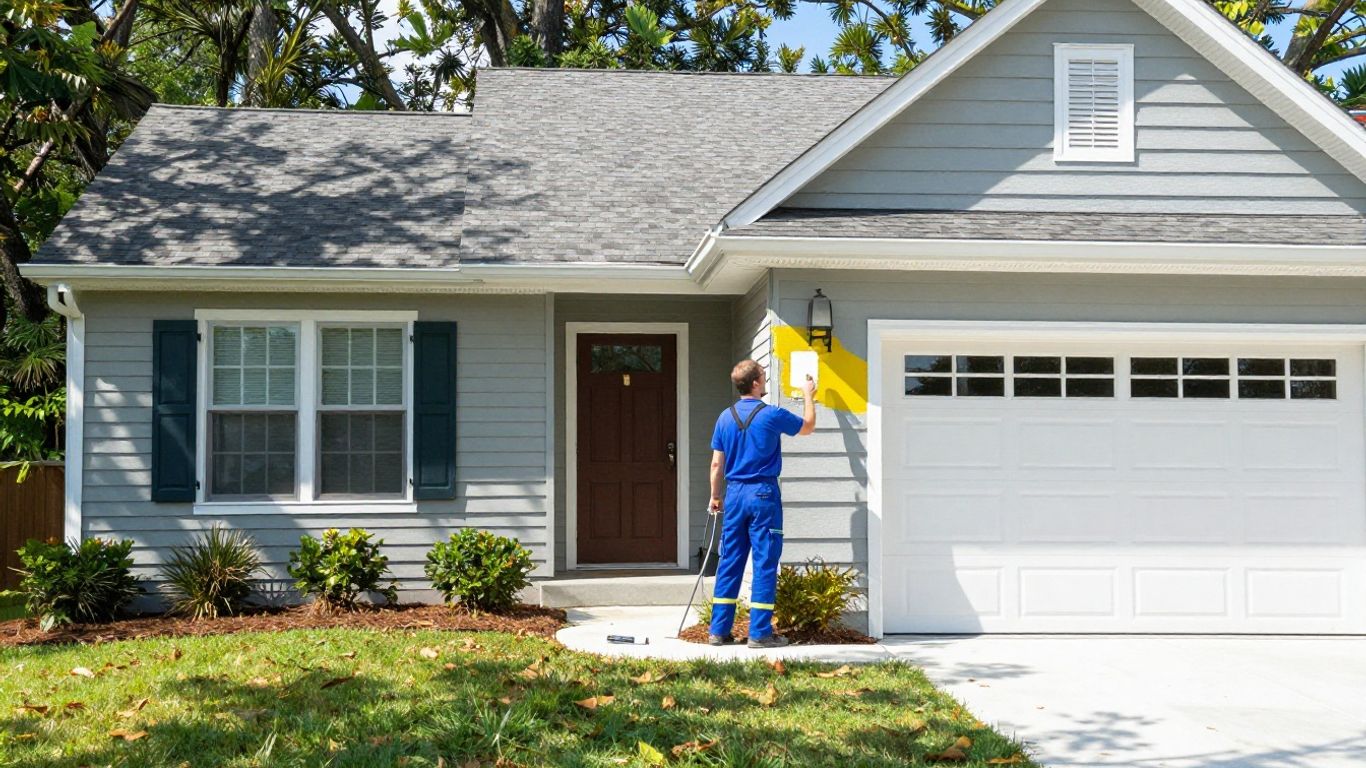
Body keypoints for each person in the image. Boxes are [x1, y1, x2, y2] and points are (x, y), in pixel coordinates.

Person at [707, 359, 817, 648]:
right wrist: (808, 394)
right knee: (765, 562)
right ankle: (759, 633)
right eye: (764, 377)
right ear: (755, 383)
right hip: (763, 495)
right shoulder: (771, 415)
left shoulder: (725, 417)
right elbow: (807, 427)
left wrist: (715, 496)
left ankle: (718, 631)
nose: (766, 381)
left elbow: (717, 463)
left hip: (734, 494)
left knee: (729, 561)